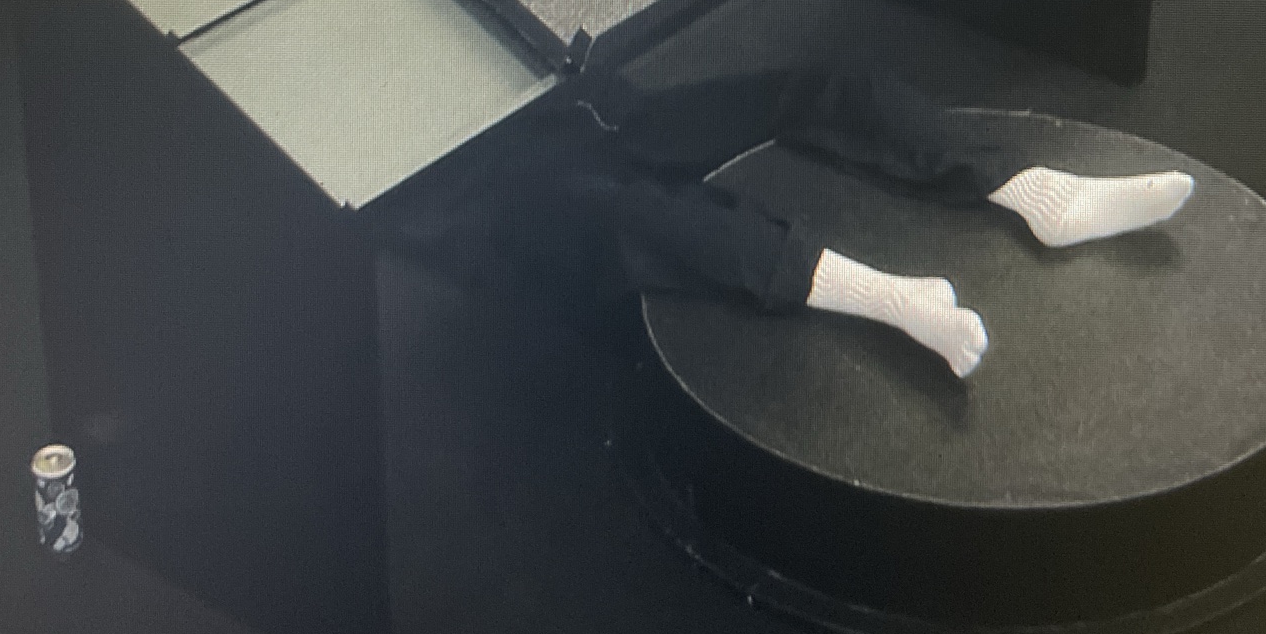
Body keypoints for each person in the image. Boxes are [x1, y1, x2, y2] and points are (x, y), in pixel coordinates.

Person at [387, 59, 1193, 380]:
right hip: (481, 181)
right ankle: (890, 297)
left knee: (825, 85)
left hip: (589, 105)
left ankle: (1039, 192)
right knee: (650, 216)